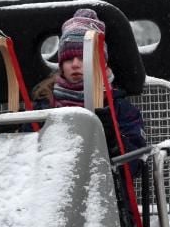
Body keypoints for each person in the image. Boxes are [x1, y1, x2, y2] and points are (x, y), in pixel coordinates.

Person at [31, 9, 146, 170]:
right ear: (61, 65)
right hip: (54, 181)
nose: (75, 64)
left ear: (100, 62)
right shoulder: (45, 104)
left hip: (103, 182)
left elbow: (136, 164)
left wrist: (113, 141)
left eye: (83, 57)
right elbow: (27, 161)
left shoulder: (118, 108)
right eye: (68, 59)